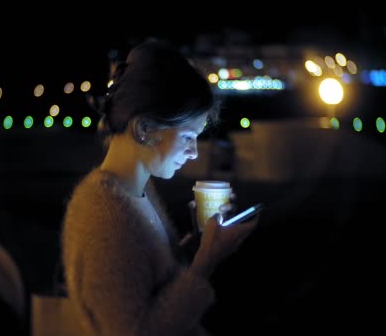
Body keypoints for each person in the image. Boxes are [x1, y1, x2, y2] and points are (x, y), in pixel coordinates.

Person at [61, 38, 259, 336]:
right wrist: (204, 263)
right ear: (144, 129)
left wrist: (189, 252)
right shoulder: (105, 216)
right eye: (187, 136)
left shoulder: (133, 193)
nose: (194, 151)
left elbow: (143, 282)